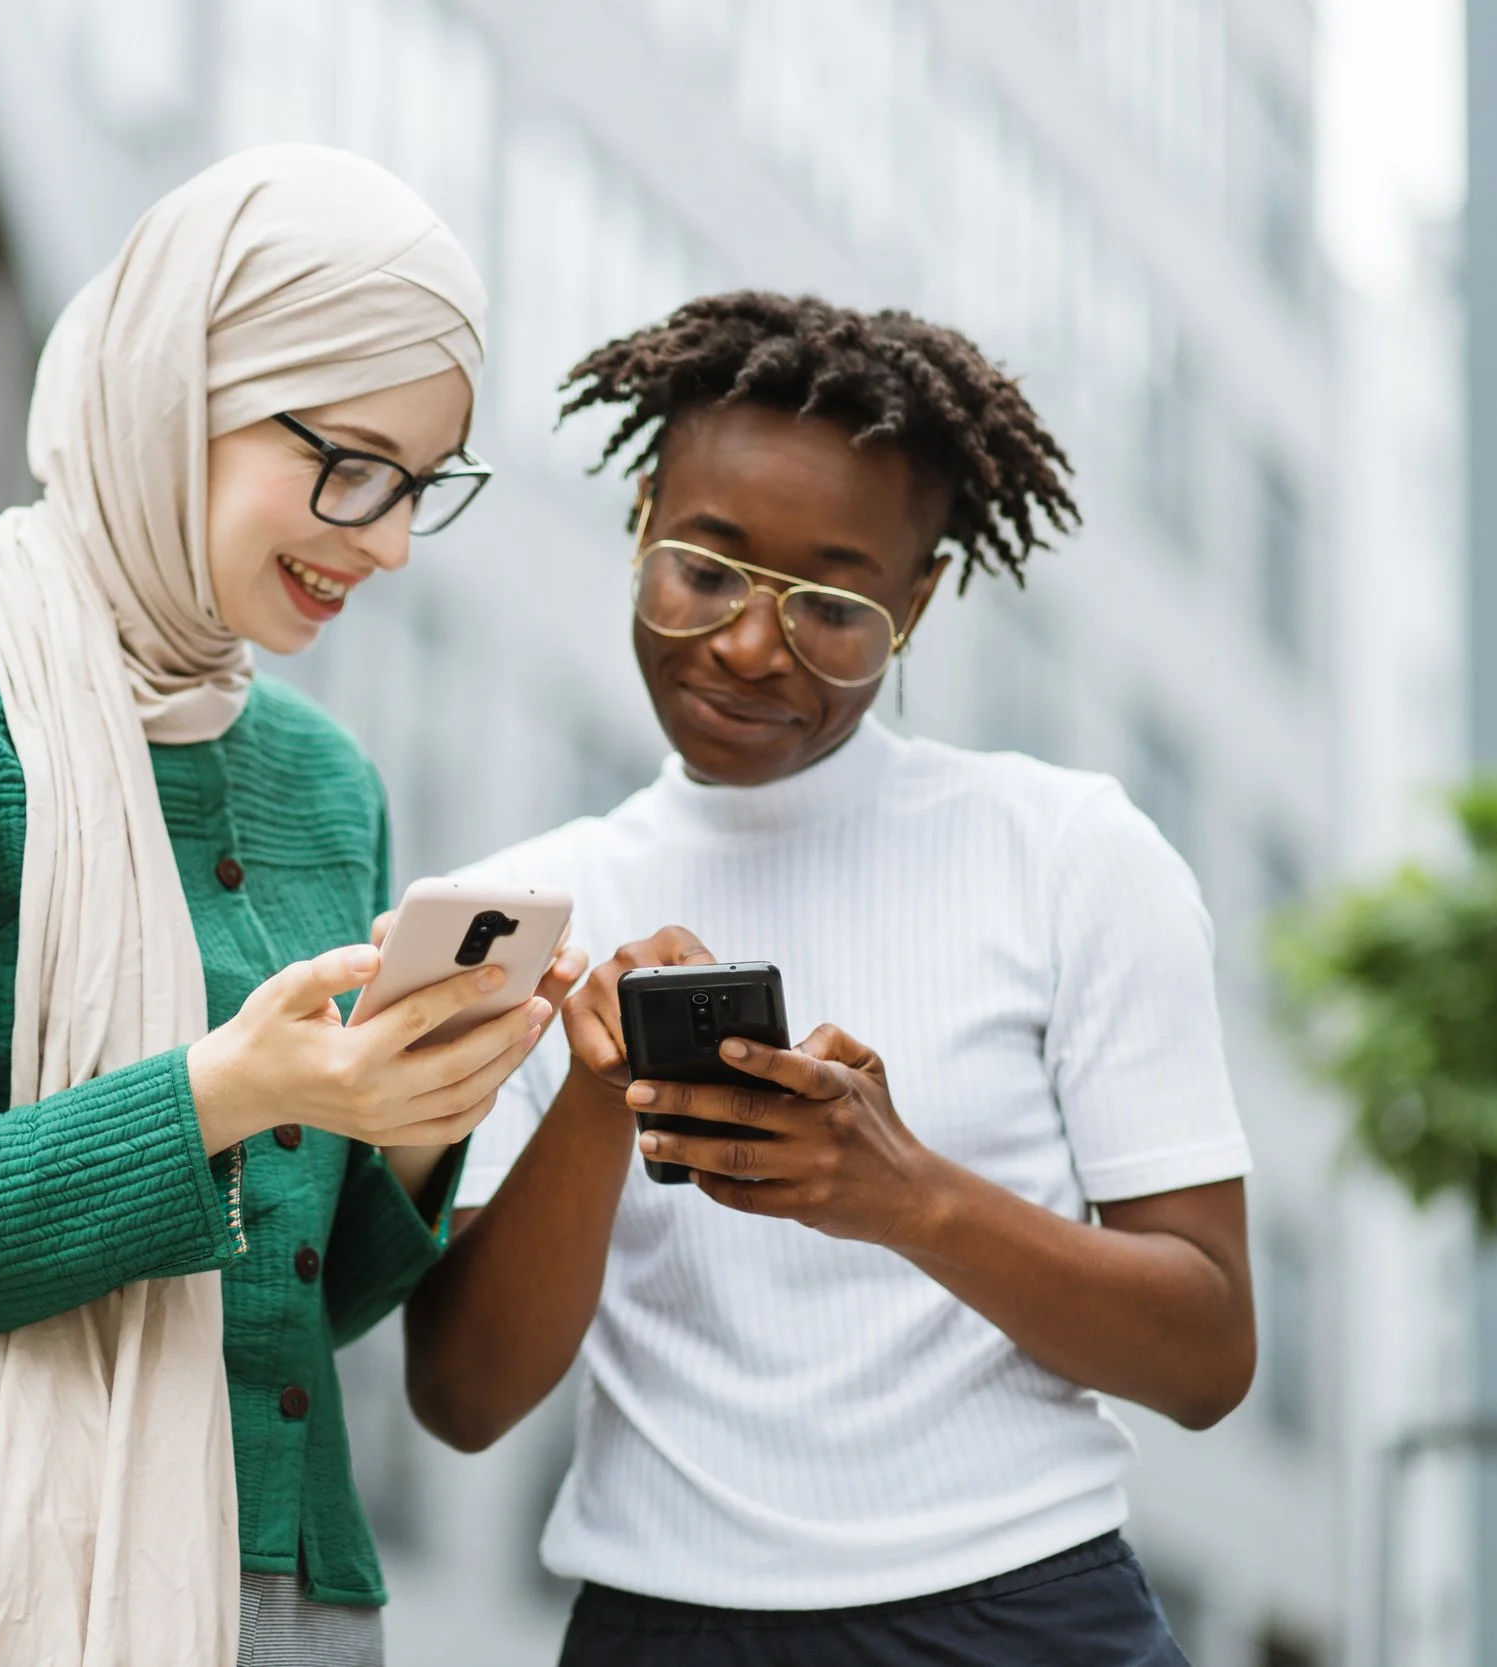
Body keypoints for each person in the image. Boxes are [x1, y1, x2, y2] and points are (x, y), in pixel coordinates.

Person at [0, 146, 576, 1667]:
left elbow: (316, 1304)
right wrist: (226, 1092)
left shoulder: (324, 779)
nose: (382, 540)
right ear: (186, 393)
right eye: (350, 465)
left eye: (422, 488)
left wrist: (416, 1126)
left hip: (292, 1584)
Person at [403, 293, 1255, 1666]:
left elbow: (1209, 1354)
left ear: (918, 600)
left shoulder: (1070, 855)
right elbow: (459, 1396)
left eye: (836, 606)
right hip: (662, 1626)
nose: (749, 646)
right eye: (707, 568)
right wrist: (592, 1093)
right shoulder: (523, 909)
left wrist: (899, 1191)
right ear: (639, 521)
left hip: (1025, 1618)